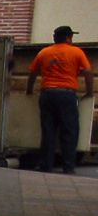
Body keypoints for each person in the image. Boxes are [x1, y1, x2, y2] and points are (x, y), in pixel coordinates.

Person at [26, 25, 94, 174]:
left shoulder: (44, 52)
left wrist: (29, 91)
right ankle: (68, 167)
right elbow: (88, 73)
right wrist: (89, 92)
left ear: (54, 38)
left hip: (47, 94)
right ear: (69, 38)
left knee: (48, 130)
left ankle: (46, 165)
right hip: (67, 95)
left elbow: (32, 73)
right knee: (69, 131)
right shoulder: (76, 52)